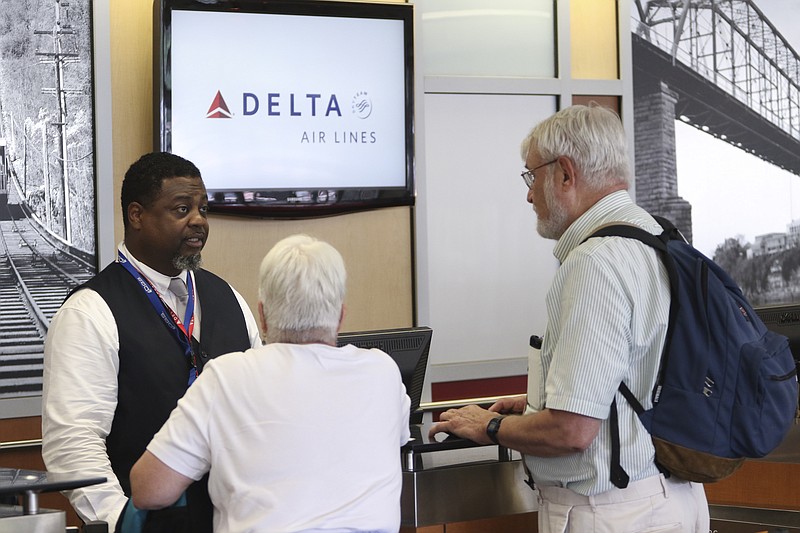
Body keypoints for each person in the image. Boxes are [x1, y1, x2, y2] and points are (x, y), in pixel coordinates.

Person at [429, 104, 710, 532]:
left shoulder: (595, 263)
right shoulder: (660, 239)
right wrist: (534, 407)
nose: (528, 193)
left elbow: (572, 431)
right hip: (671, 500)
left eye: (531, 175)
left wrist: (491, 425)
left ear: (564, 173)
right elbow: (637, 382)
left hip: (615, 513)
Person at [42, 152, 263, 533]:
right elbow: (74, 444)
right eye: (181, 209)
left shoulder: (229, 298)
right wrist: (121, 521)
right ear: (137, 215)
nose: (198, 221)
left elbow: (262, 409)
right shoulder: (90, 311)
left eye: (203, 210)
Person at [129, 234, 411, 533]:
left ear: (261, 316)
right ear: (340, 317)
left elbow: (150, 490)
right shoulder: (383, 372)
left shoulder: (226, 377)